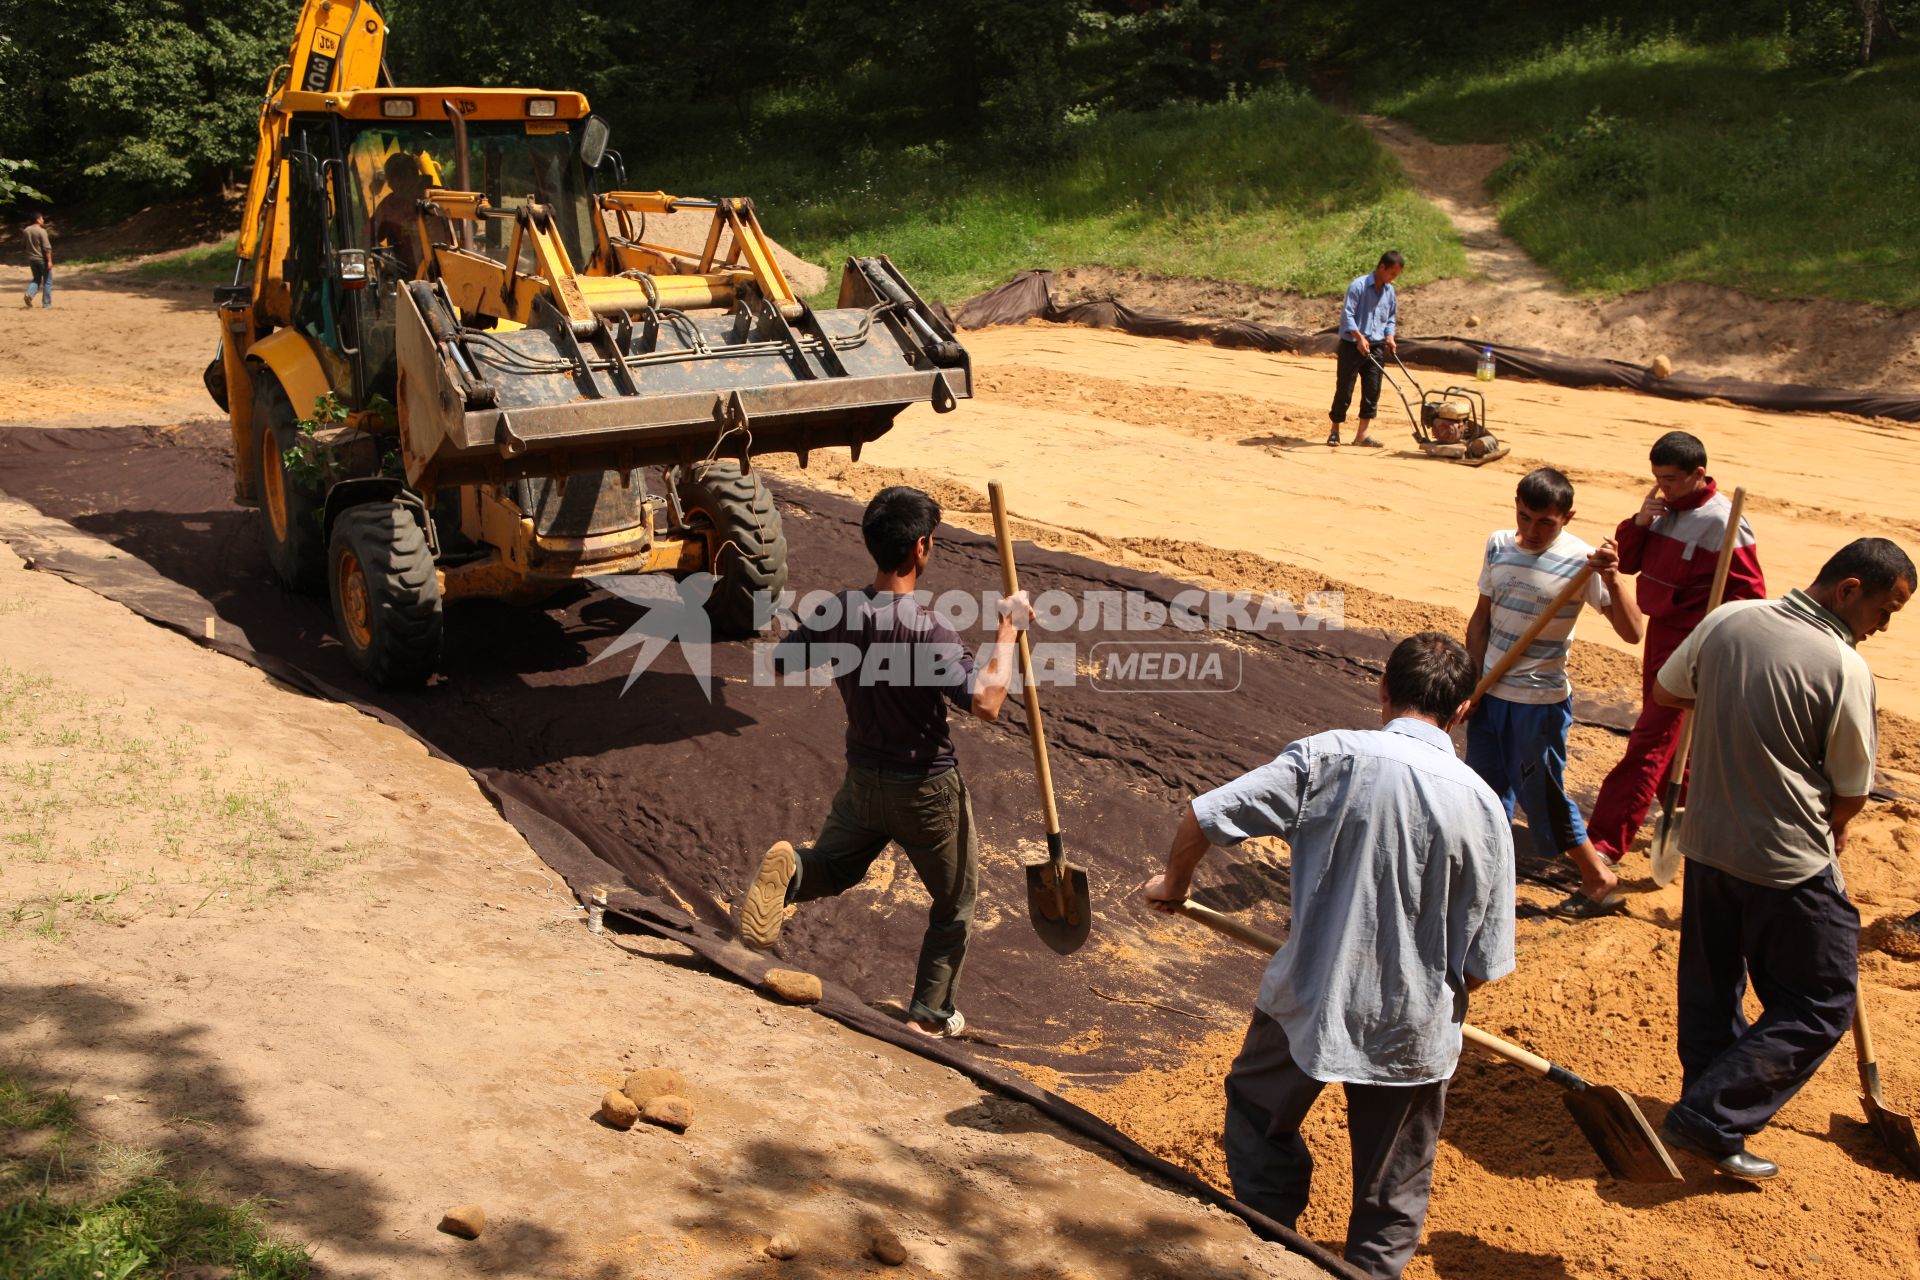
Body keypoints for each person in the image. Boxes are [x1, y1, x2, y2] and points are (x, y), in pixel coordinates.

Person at [1143, 632, 1514, 1280]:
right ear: (1461, 713)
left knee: (1258, 1117)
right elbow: (1481, 963)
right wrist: (1424, 993)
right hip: (1414, 1028)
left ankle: (1273, 1249)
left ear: (1383, 691)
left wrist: (1173, 887)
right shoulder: (1483, 807)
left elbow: (1203, 816)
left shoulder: (1329, 758)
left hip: (1309, 999)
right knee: (1391, 1189)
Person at [1653, 538, 1911, 1181]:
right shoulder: (1845, 668)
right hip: (1787, 858)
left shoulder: (1729, 619)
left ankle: (1707, 1113)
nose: (1884, 626)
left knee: (1711, 986)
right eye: (1887, 609)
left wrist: (1737, 717)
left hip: (1708, 841)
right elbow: (1851, 789)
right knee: (1822, 997)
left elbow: (1668, 690)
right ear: (1849, 589)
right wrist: (1835, 826)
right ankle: (1711, 1117)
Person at [736, 486, 1031, 1038]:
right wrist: (1009, 628)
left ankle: (792, 871)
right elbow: (988, 702)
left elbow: (779, 662)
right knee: (954, 903)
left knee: (836, 868)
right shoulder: (929, 629)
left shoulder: (841, 609)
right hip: (925, 789)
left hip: (862, 783)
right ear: (921, 547)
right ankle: (929, 1015)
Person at [1465, 467, 1643, 916]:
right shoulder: (1499, 544)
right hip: (1490, 693)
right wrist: (1472, 682)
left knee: (1540, 794)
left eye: (1545, 522)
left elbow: (1632, 632)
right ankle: (1489, 881)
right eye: (1524, 517)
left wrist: (1616, 578)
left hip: (1539, 702)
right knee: (1485, 792)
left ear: (1567, 517)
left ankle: (1598, 877)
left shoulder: (1584, 562)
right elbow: (1482, 617)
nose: (1531, 530)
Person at [1586, 432, 1764, 866]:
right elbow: (1627, 563)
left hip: (1693, 643)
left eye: (1669, 479)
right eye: (1656, 479)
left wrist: (1713, 648)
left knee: (1650, 740)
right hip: (1660, 635)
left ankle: (1605, 844)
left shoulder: (1725, 523)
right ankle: (1691, 814)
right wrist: (1641, 521)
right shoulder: (1661, 510)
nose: (1661, 487)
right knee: (1669, 740)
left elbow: (1751, 598)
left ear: (1697, 475)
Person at [1328, 250, 1402, 448]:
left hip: (1376, 346)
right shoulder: (1358, 286)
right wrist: (1359, 337)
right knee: (1345, 388)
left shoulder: (1389, 292)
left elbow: (1391, 318)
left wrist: (1390, 337)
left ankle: (1362, 434)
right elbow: (1347, 315)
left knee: (1372, 390)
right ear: (1382, 267)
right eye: (1392, 274)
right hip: (1352, 345)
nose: (1393, 278)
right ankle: (1335, 430)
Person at [369, 152, 432, 277]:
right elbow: (367, 237)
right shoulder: (389, 205)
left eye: (393, 179)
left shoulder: (438, 197)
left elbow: (467, 226)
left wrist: (425, 230)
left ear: (409, 176)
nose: (390, 185)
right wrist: (386, 257)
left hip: (443, 270)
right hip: (405, 275)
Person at [22, 212, 52, 309]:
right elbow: (47, 248)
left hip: (32, 259)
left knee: (36, 279)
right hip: (41, 259)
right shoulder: (41, 231)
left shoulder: (26, 230)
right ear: (38, 219)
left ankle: (29, 294)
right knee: (47, 281)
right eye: (42, 218)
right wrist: (50, 261)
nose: (43, 220)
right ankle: (46, 304)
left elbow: (23, 245)